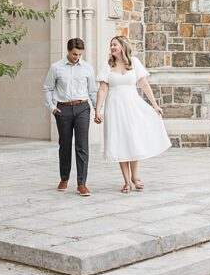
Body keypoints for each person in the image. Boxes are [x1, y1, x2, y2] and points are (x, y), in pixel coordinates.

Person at [95, 35, 171, 193]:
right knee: (120, 141)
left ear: (123, 46)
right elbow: (103, 89)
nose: (112, 48)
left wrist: (155, 105)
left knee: (133, 139)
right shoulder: (107, 65)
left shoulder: (134, 62)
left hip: (132, 105)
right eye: (111, 45)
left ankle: (135, 177)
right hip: (114, 107)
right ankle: (126, 181)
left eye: (114, 44)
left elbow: (143, 83)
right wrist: (98, 110)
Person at [43, 36, 98, 196]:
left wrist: (97, 110)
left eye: (80, 55)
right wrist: (52, 107)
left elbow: (92, 91)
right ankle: (64, 178)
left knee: (82, 146)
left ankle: (82, 183)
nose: (77, 58)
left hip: (82, 108)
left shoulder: (87, 67)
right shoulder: (56, 67)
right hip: (63, 110)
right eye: (75, 54)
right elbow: (47, 88)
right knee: (64, 145)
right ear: (68, 51)